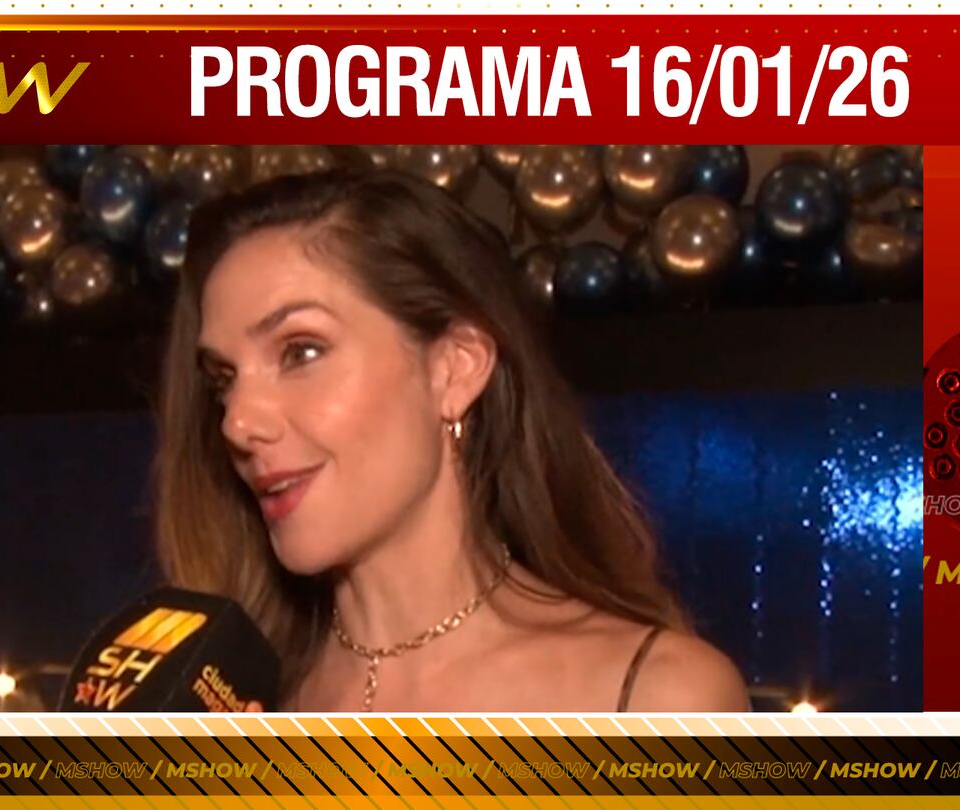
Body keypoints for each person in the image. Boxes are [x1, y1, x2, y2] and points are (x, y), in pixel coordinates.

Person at [152, 167, 749, 712]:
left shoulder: (656, 698)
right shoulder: (229, 705)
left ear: (455, 368)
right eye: (224, 380)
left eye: (300, 351)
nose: (237, 422)